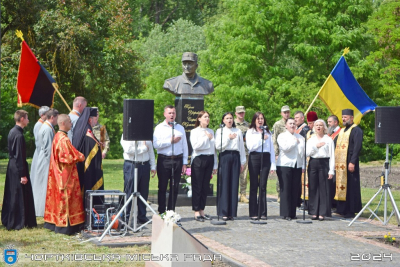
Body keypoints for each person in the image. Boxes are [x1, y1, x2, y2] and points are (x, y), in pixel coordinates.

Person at [44, 114, 85, 235]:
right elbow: (66, 157)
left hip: (58, 173)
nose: (71, 124)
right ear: (63, 123)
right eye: (69, 122)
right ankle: (66, 226)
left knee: (59, 198)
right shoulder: (63, 139)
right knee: (67, 198)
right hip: (65, 174)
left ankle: (54, 223)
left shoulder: (58, 136)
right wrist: (80, 156)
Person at [1, 110, 37, 230]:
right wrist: (23, 174)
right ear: (21, 119)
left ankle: (15, 219)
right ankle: (18, 221)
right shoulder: (18, 135)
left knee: (14, 192)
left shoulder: (13, 131)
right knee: (18, 193)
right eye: (27, 118)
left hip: (13, 166)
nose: (28, 120)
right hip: (17, 167)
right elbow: (19, 155)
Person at [153, 105, 188, 214]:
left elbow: (185, 146)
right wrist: (170, 141)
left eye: (173, 113)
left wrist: (184, 163)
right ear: (165, 114)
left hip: (177, 160)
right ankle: (162, 211)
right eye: (169, 113)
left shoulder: (180, 128)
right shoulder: (159, 128)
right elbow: (156, 145)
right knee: (162, 186)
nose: (172, 115)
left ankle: (171, 212)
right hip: (164, 160)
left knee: (175, 187)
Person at [215, 112, 246, 220]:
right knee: (224, 183)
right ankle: (223, 212)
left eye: (231, 118)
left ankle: (231, 212)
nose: (229, 120)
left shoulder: (238, 131)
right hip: (225, 156)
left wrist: (242, 162)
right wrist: (228, 138)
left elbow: (241, 147)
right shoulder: (220, 131)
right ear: (223, 120)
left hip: (235, 156)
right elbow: (218, 146)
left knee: (234, 184)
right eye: (227, 118)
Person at [246, 112, 275, 220]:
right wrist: (262, 139)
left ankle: (262, 212)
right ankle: (253, 212)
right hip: (254, 158)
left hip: (266, 158)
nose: (260, 120)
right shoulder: (250, 132)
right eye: (258, 119)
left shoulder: (268, 132)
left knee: (263, 186)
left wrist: (273, 165)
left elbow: (271, 149)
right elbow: (250, 147)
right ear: (254, 120)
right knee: (254, 185)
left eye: (262, 118)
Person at [120, 136, 156, 223]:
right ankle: (126, 216)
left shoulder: (146, 133)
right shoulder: (128, 133)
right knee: (129, 191)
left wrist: (153, 166)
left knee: (143, 191)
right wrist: (143, 148)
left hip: (145, 165)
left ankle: (142, 215)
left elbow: (150, 150)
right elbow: (128, 150)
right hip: (132, 164)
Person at [72, 107, 104, 207]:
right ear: (90, 119)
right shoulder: (88, 133)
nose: (96, 120)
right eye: (95, 118)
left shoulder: (82, 128)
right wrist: (99, 146)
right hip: (89, 169)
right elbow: (92, 147)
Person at [335, 109, 363, 218]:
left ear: (351, 118)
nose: (343, 119)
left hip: (350, 161)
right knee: (341, 185)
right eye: (342, 117)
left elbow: (357, 147)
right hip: (340, 163)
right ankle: (342, 209)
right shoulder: (342, 131)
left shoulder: (356, 130)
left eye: (345, 117)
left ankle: (351, 210)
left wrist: (352, 161)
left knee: (351, 186)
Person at [190, 111, 218, 222]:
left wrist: (215, 164)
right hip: (199, 159)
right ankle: (196, 211)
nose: (207, 119)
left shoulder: (211, 131)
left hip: (209, 159)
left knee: (205, 186)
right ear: (199, 119)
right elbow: (196, 146)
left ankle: (202, 210)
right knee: (197, 185)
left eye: (208, 117)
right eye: (205, 117)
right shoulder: (194, 131)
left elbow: (214, 149)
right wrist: (207, 138)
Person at [276, 118, 305, 221]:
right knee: (286, 189)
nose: (292, 125)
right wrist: (294, 142)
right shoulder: (282, 136)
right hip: (285, 165)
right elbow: (285, 148)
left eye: (294, 123)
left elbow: (302, 153)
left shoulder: (301, 137)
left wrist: (303, 166)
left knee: (294, 190)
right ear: (286, 126)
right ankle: (285, 213)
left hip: (297, 165)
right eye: (290, 124)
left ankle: (292, 212)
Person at [306, 119, 335, 221]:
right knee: (313, 187)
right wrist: (316, 147)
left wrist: (331, 170)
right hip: (313, 163)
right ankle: (314, 211)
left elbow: (332, 155)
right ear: (314, 127)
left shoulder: (329, 139)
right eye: (317, 125)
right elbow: (307, 153)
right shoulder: (311, 140)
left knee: (323, 188)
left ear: (324, 127)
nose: (318, 127)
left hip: (324, 163)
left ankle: (322, 212)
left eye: (320, 125)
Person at [32, 108, 59, 217]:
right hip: (46, 160)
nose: (57, 121)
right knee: (43, 184)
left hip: (45, 158)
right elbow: (48, 148)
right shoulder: (47, 128)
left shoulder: (48, 127)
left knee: (43, 184)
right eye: (57, 118)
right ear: (52, 117)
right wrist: (53, 163)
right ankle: (41, 209)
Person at [272, 105, 290, 202]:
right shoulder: (278, 124)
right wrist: (276, 153)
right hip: (281, 153)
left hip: (290, 154)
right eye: (284, 112)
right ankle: (280, 194)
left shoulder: (292, 123)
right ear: (281, 113)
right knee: (280, 175)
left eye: (288, 112)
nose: (286, 114)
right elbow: (274, 139)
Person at [30, 106, 50, 185]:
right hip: (40, 153)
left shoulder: (45, 124)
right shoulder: (39, 125)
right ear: (42, 115)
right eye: (47, 114)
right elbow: (39, 142)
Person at [235, 106, 250, 203]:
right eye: (239, 113)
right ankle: (233, 193)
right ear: (236, 113)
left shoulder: (248, 125)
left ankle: (243, 194)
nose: (241, 114)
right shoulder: (233, 124)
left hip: (245, 152)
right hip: (235, 152)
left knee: (244, 175)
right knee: (234, 174)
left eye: (242, 112)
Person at [327, 114, 340, 210]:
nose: (328, 124)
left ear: (335, 122)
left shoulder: (340, 133)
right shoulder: (330, 133)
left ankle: (335, 204)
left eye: (330, 122)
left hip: (337, 161)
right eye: (327, 122)